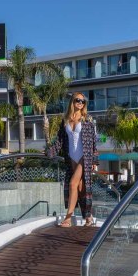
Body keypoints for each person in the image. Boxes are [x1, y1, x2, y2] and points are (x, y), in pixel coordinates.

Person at [47, 92, 99, 227]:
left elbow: (94, 141)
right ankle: (89, 216)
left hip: (84, 157)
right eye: (78, 100)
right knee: (80, 188)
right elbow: (60, 140)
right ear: (72, 101)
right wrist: (49, 152)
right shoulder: (65, 120)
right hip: (71, 157)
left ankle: (68, 218)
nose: (80, 103)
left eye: (83, 101)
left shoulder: (87, 119)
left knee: (72, 184)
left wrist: (94, 160)